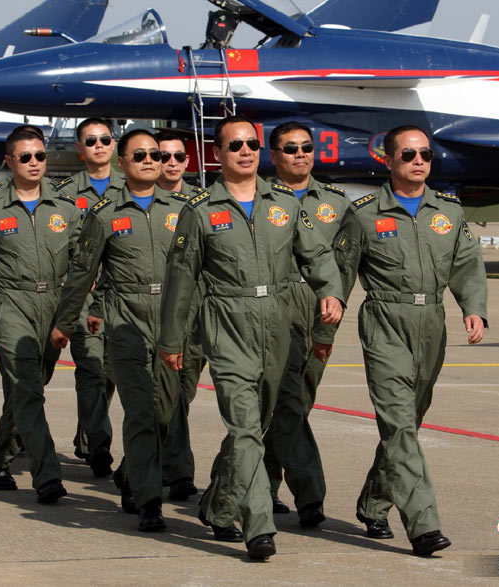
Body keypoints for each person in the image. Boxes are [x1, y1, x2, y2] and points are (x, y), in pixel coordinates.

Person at [158, 115, 345, 560]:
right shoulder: (200, 210)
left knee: (258, 424)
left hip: (278, 321)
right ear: (217, 154)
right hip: (227, 323)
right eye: (235, 145)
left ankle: (218, 507)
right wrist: (171, 341)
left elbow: (316, 253)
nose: (245, 151)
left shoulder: (283, 204)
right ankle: (258, 526)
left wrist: (331, 291)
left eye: (252, 145)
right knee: (244, 427)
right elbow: (180, 281)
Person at [336, 125, 488, 556]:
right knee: (399, 425)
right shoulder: (364, 213)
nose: (418, 161)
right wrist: (324, 328)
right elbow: (340, 272)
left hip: (431, 323)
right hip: (385, 320)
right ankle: (424, 525)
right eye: (408, 154)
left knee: (408, 422)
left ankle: (373, 504)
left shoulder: (449, 212)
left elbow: (467, 263)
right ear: (388, 160)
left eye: (425, 154)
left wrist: (473, 307)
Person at [51, 129, 192, 532]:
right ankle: (149, 501)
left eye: (155, 155)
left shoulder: (185, 209)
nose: (151, 161)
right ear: (123, 162)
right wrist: (65, 322)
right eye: (140, 155)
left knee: (167, 412)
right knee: (141, 412)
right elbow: (82, 273)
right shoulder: (104, 215)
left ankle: (132, 474)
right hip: (127, 322)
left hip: (173, 321)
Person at [0, 128, 80, 503]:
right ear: (10, 161)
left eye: (40, 156)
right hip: (11, 303)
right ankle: (48, 474)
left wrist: (75, 314)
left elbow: (82, 266)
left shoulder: (66, 209)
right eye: (25, 157)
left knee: (29, 389)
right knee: (29, 390)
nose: (34, 163)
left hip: (53, 303)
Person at [261, 121, 350, 527]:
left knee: (296, 404)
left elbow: (345, 266)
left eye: (306, 147)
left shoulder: (336, 203)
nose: (300, 154)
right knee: (281, 405)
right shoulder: (259, 199)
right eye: (291, 148)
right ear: (274, 155)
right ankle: (304, 493)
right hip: (273, 308)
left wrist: (328, 327)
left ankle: (264, 484)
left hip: (318, 311)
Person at [51, 117, 122, 477]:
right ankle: (99, 446)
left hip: (122, 296)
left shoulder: (133, 188)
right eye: (91, 141)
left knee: (110, 373)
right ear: (79, 149)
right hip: (84, 294)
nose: (99, 146)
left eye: (105, 139)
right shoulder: (64, 193)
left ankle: (86, 437)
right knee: (91, 369)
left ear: (114, 144)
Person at [154, 130, 201, 501]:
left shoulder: (201, 203)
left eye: (178, 157)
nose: (171, 163)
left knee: (182, 394)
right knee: (164, 396)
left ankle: (138, 465)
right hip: (155, 315)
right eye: (163, 156)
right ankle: (178, 470)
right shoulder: (138, 203)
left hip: (196, 317)